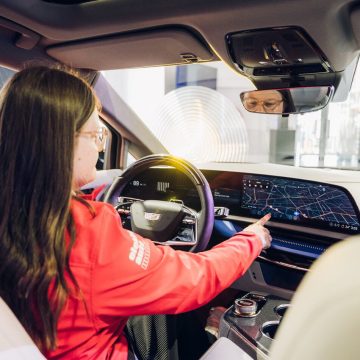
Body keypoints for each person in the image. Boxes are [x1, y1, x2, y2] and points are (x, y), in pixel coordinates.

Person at [0, 65, 272, 359]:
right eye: (96, 135)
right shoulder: (91, 235)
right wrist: (252, 239)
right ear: (62, 141)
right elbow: (196, 277)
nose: (100, 148)